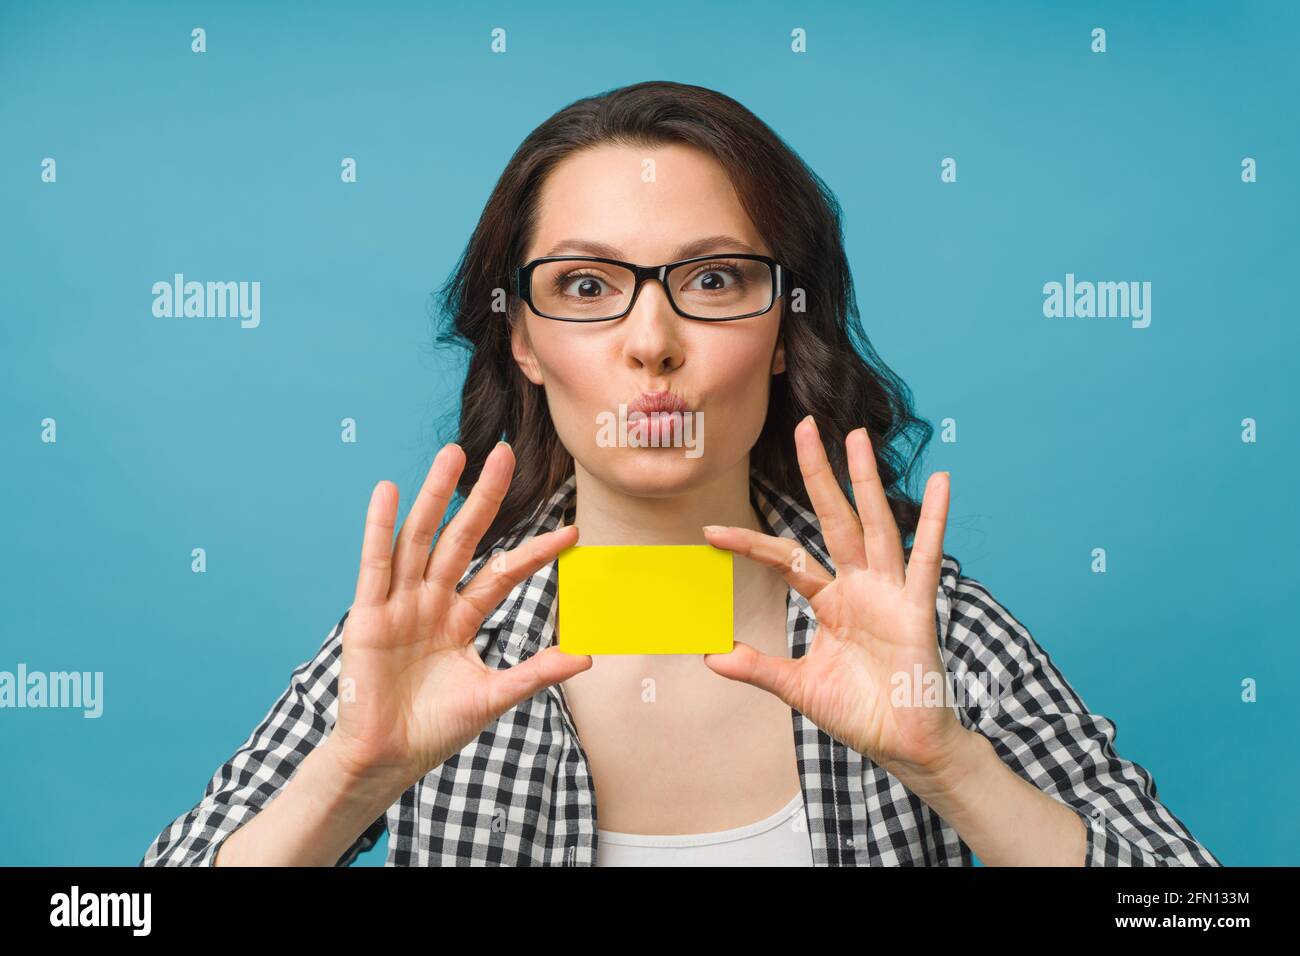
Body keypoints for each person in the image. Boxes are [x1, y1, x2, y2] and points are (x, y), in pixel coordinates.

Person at [140, 80, 1219, 867]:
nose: (651, 341)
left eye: (711, 278)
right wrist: (348, 777)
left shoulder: (924, 626)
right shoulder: (434, 632)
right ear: (520, 339)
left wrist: (952, 763)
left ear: (789, 328)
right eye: (584, 284)